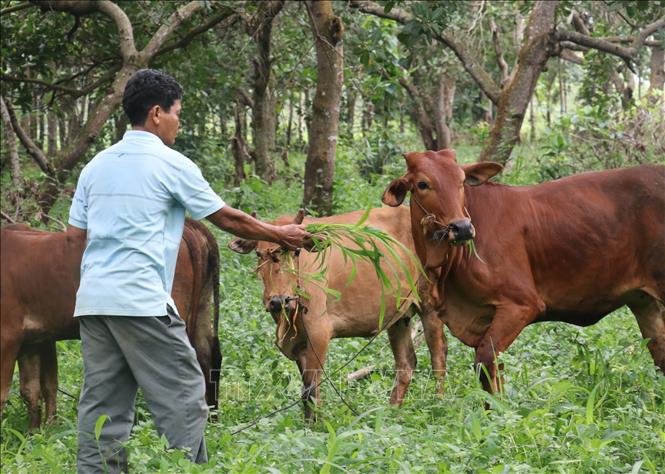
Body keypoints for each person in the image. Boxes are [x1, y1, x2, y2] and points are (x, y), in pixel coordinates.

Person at [68, 69, 310, 473]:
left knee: (102, 407)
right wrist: (281, 234)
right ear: (157, 113)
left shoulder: (96, 165)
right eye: (178, 113)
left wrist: (98, 281)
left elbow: (75, 240)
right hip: (142, 302)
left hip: (94, 303)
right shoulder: (169, 163)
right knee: (184, 393)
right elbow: (226, 218)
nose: (180, 122)